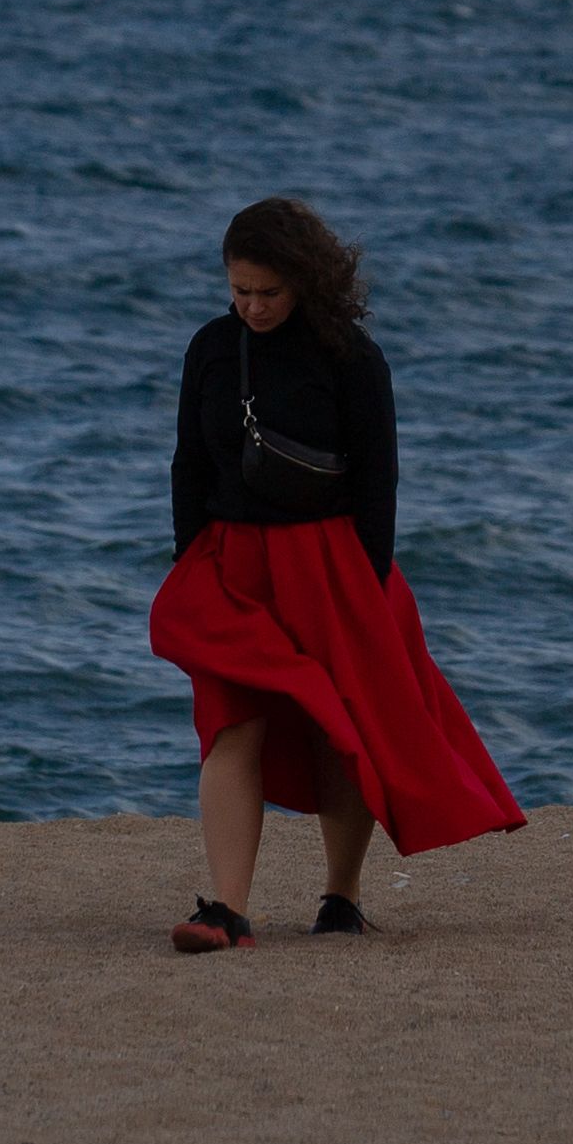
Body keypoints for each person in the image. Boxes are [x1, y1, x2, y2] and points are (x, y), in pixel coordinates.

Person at [145, 195, 522, 951]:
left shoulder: (350, 357)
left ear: (306, 281)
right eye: (239, 289)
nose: (252, 306)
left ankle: (340, 898)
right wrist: (193, 563)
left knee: (339, 729)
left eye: (269, 292)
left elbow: (378, 483)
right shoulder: (211, 349)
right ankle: (226, 909)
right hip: (231, 566)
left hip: (334, 567)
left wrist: (370, 588)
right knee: (230, 723)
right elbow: (189, 462)